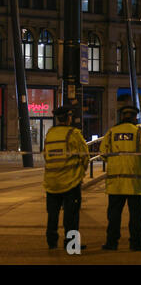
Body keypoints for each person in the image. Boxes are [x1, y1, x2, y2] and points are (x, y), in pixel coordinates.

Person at [100, 106, 141, 251]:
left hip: (115, 183)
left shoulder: (111, 132)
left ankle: (111, 243)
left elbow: (103, 154)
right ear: (135, 117)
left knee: (113, 216)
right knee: (136, 217)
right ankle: (136, 243)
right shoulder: (140, 132)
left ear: (122, 116)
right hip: (135, 184)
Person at [43, 106, 89, 250]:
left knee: (52, 215)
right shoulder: (73, 133)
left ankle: (52, 243)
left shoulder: (49, 134)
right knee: (71, 216)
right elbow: (85, 157)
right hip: (70, 182)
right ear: (69, 117)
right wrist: (81, 173)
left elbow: (46, 155)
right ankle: (72, 245)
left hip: (51, 182)